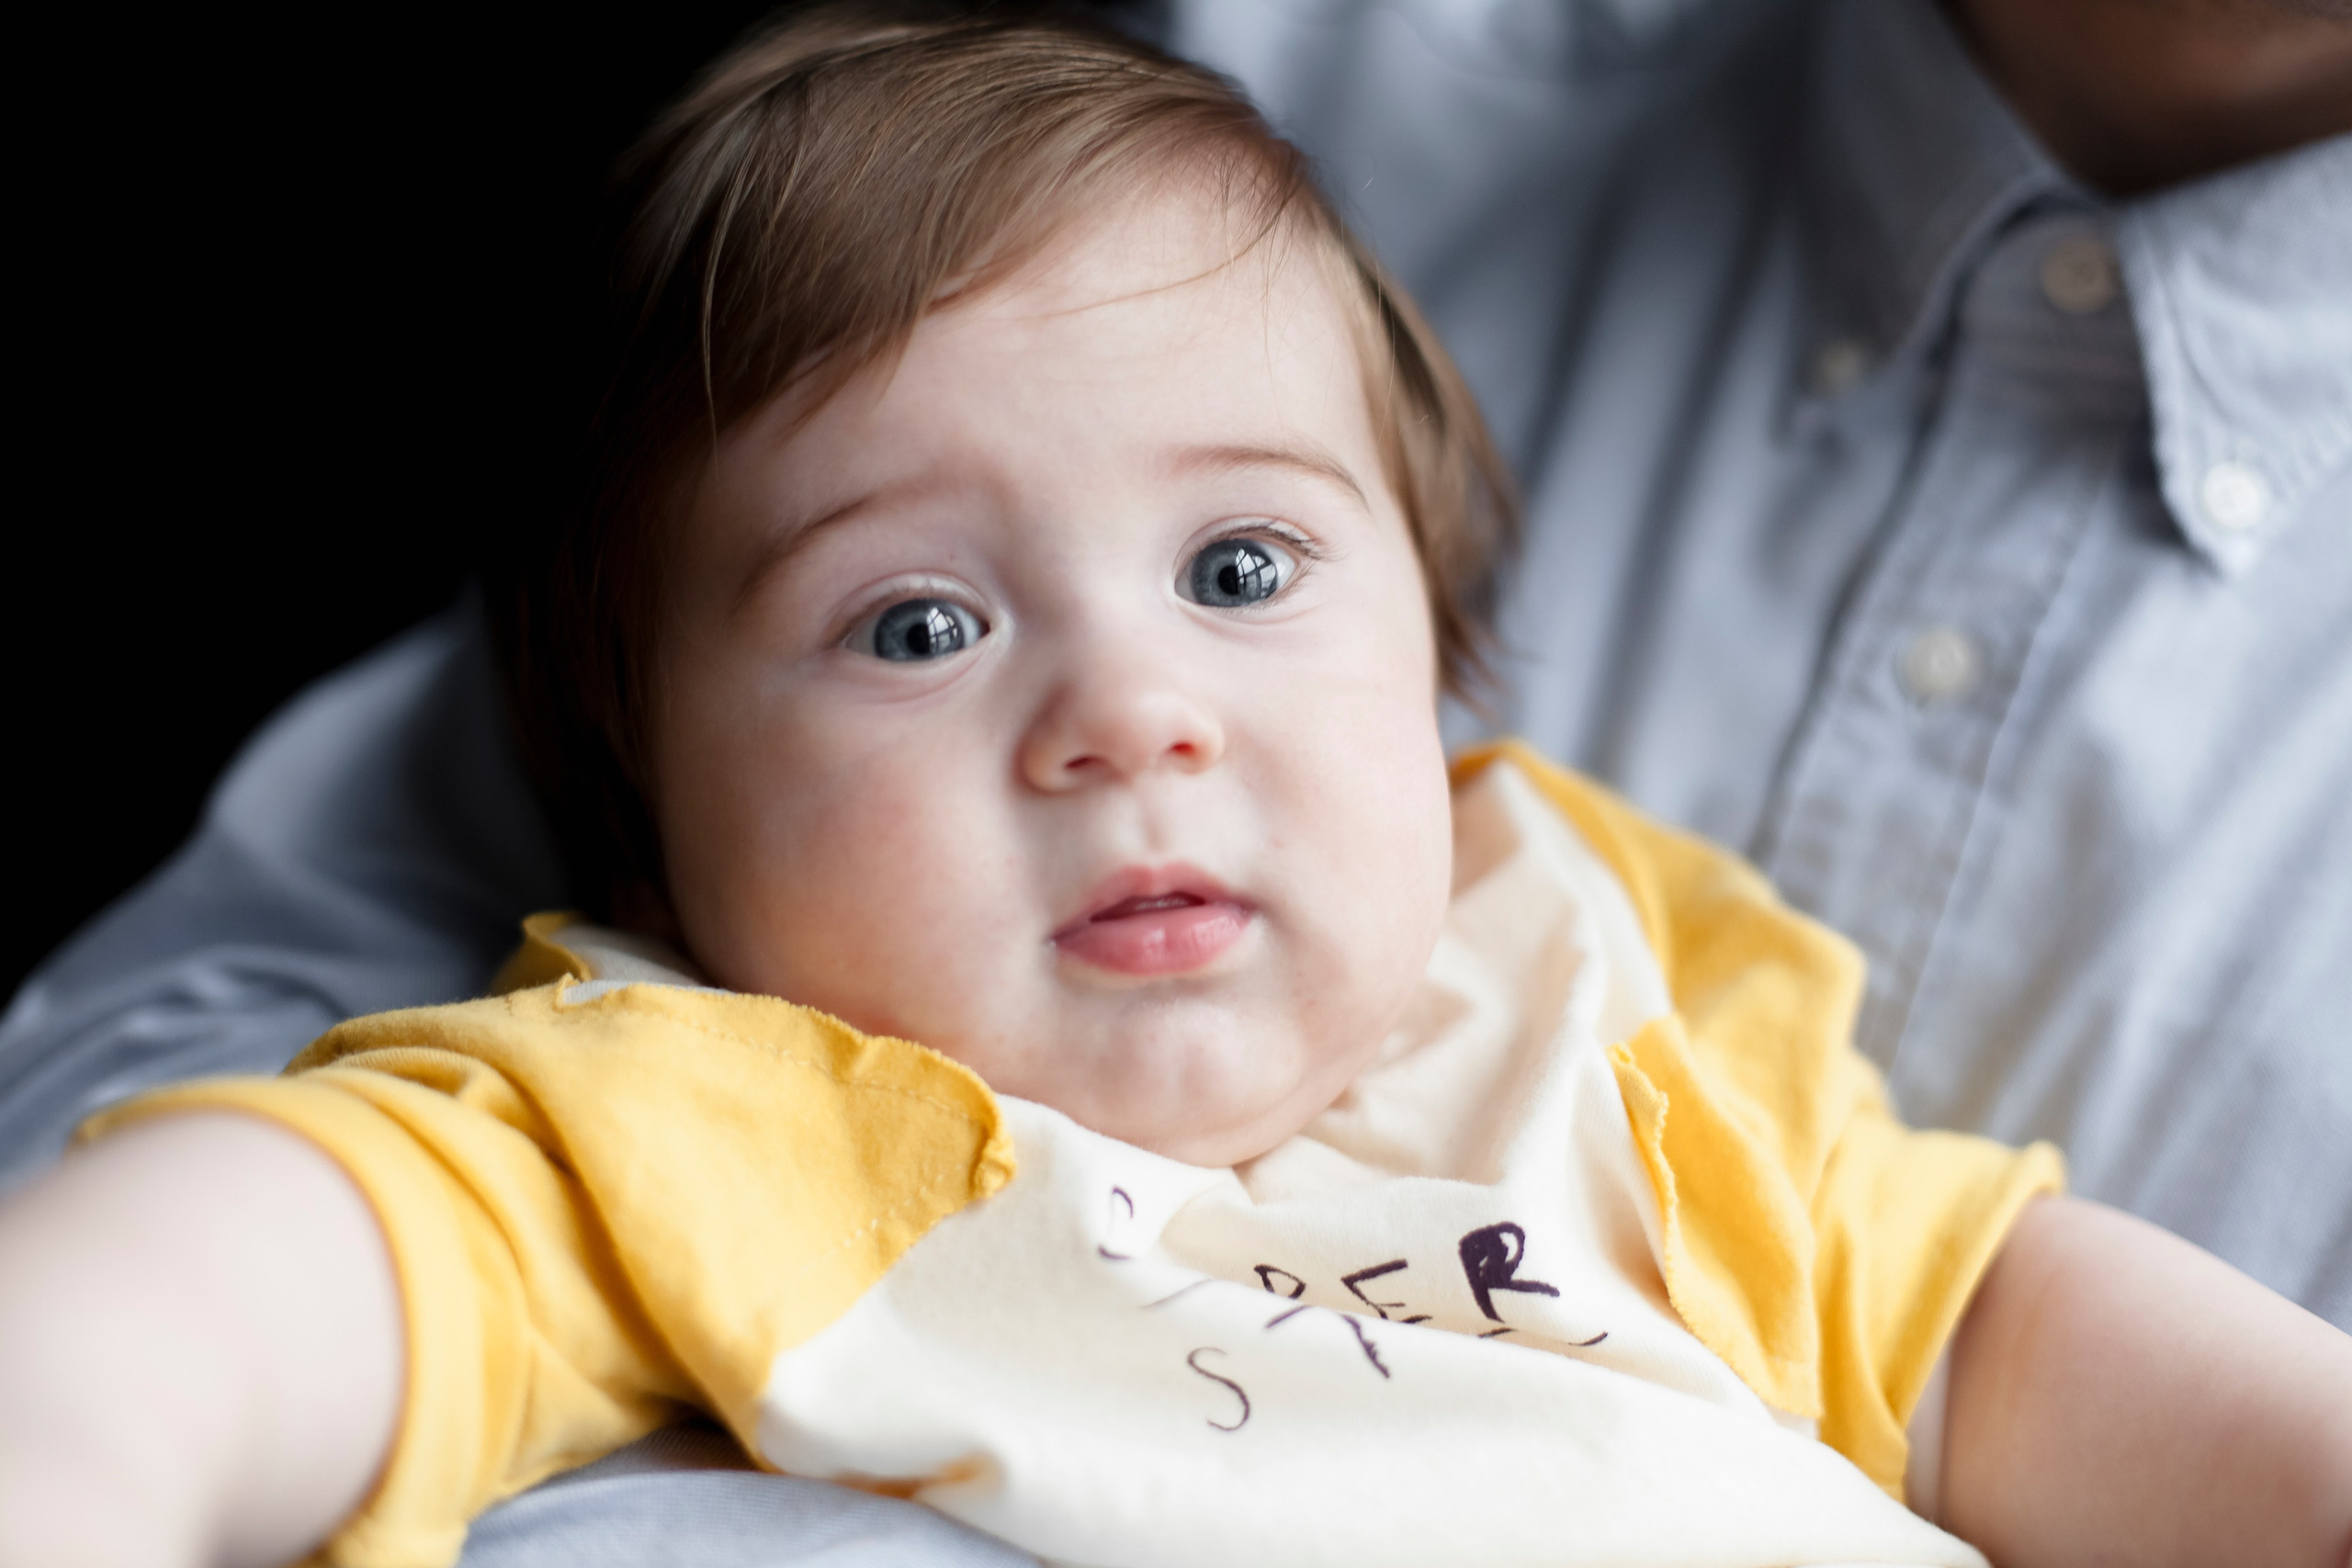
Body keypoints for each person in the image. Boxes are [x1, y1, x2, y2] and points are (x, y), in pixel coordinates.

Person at [0, 0, 2344, 1563]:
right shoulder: (720, 1122)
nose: (1130, 710)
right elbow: (239, 1273)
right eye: (913, 625)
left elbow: (2010, 1336)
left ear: (1440, 672)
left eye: (1240, 563)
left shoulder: (1584, 1002)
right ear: (646, 818)